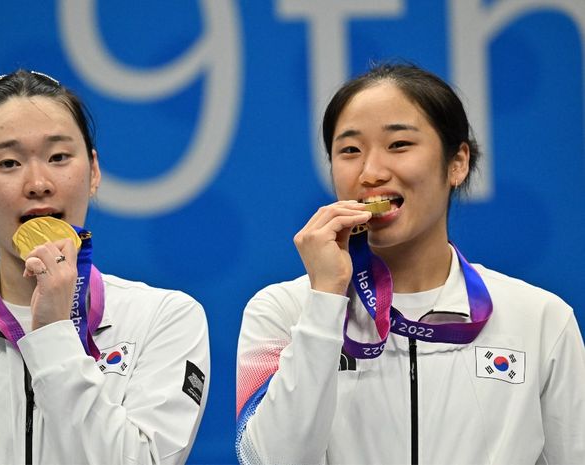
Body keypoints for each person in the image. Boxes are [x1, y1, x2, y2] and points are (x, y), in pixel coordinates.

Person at [235, 63, 585, 464]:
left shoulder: (539, 319)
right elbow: (265, 460)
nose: (371, 172)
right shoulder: (284, 310)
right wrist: (324, 303)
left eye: (399, 144)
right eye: (350, 150)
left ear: (457, 163)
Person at [0, 70, 209, 465]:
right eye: (8, 163)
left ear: (94, 170)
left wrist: (56, 332)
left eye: (58, 157)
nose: (38, 183)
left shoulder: (164, 319)